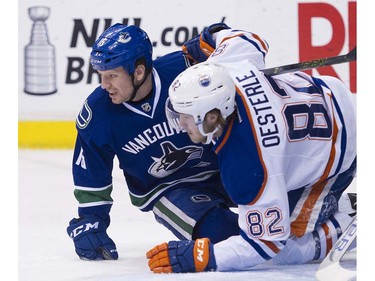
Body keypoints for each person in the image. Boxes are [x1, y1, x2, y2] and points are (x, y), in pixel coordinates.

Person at [146, 31, 357, 272]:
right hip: (330, 93)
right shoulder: (226, 67)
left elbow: (266, 244)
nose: (180, 125)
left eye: (185, 117)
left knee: (288, 250)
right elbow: (249, 40)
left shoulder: (246, 164)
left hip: (338, 149)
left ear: (213, 116)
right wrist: (208, 39)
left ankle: (355, 217)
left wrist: (204, 256)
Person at [66, 22, 251, 261]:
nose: (104, 85)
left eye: (111, 75)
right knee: (223, 234)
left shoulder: (186, 70)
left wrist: (216, 39)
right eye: (101, 75)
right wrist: (91, 220)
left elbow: (238, 50)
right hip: (167, 190)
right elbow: (91, 173)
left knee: (286, 207)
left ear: (139, 72)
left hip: (222, 166)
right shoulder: (98, 113)